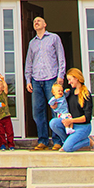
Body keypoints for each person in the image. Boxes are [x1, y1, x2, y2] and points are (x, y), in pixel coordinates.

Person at [24, 16, 66, 150]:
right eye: (34, 21)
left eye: (39, 21)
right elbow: (29, 62)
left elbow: (61, 57)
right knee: (37, 111)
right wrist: (28, 79)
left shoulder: (54, 38)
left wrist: (61, 76)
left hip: (52, 78)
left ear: (45, 24)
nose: (36, 22)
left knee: (56, 110)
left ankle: (58, 140)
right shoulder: (32, 43)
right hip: (36, 80)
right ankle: (42, 140)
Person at [49, 68, 94, 152]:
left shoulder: (86, 94)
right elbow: (62, 106)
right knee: (53, 123)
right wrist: (54, 106)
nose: (69, 82)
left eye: (70, 80)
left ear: (76, 78)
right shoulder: (70, 93)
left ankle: (89, 140)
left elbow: (87, 118)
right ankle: (67, 142)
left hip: (83, 127)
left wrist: (71, 121)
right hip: (71, 125)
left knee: (68, 148)